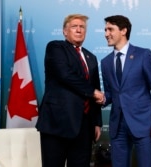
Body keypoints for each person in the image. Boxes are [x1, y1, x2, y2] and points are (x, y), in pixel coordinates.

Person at [36, 14, 104, 167]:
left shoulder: (91, 57)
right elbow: (65, 74)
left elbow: (96, 88)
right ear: (65, 32)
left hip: (84, 126)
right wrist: (93, 92)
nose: (79, 30)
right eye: (74, 26)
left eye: (82, 27)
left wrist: (97, 122)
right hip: (57, 123)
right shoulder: (55, 47)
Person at [100, 15, 151, 167]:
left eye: (110, 29)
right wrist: (102, 98)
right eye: (105, 30)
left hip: (143, 124)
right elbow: (111, 94)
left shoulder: (143, 55)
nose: (106, 34)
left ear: (123, 30)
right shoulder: (105, 62)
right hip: (118, 127)